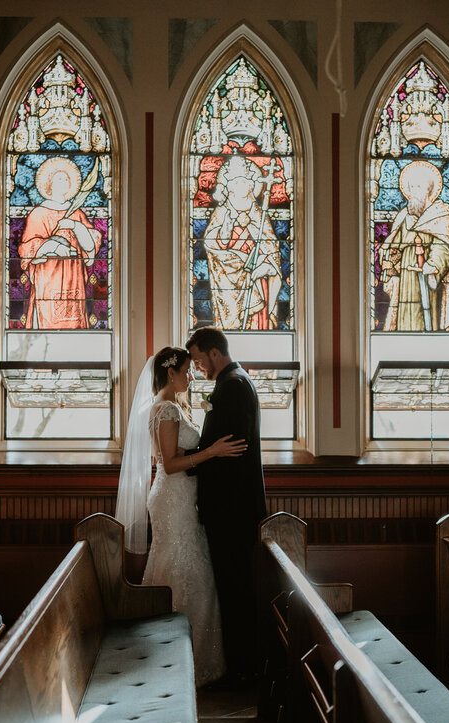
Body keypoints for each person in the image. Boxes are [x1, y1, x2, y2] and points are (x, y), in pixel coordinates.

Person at [115, 347, 246, 687]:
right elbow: (170, 464)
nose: (191, 376)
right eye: (187, 371)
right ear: (170, 374)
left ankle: (189, 659)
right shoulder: (166, 408)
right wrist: (213, 451)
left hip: (179, 499)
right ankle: (174, 661)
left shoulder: (171, 407)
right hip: (172, 498)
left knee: (185, 568)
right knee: (183, 570)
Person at [184, 326, 267, 688]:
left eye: (200, 359)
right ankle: (243, 664)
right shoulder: (236, 380)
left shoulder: (233, 385)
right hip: (232, 508)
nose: (199, 367)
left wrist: (183, 459)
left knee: (235, 589)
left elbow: (230, 448)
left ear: (215, 353)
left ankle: (243, 669)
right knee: (234, 587)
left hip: (231, 509)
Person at [376, 160, 449, 331]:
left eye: (419, 187)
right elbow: (392, 244)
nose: (413, 192)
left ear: (429, 190)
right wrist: (391, 259)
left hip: (428, 277)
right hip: (405, 278)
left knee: (428, 316)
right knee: (404, 315)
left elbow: (445, 245)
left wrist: (432, 265)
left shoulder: (441, 214)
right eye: (411, 187)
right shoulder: (403, 216)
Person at [18, 157, 101, 329]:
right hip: (49, 277)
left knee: (75, 320)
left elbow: (91, 246)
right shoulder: (38, 214)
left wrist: (75, 226)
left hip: (74, 277)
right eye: (58, 178)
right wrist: (53, 246)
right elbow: (26, 248)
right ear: (49, 184)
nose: (63, 182)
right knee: (48, 319)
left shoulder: (76, 213)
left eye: (66, 179)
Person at [202, 156, 284, 330]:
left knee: (256, 316)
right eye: (241, 182)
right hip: (227, 276)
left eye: (249, 182)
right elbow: (211, 243)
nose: (248, 185)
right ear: (231, 187)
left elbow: (271, 246)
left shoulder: (259, 214)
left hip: (256, 275)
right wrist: (227, 227)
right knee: (230, 321)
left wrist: (265, 264)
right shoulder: (221, 211)